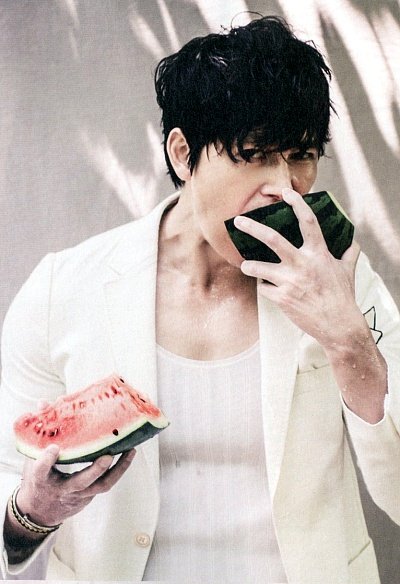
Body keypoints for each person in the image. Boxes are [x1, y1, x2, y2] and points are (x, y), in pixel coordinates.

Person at [1, 14, 400, 583]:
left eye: (301, 155)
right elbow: (6, 483)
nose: (284, 187)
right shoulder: (61, 288)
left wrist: (350, 343)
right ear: (183, 154)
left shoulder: (342, 279)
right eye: (255, 154)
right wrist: (31, 512)